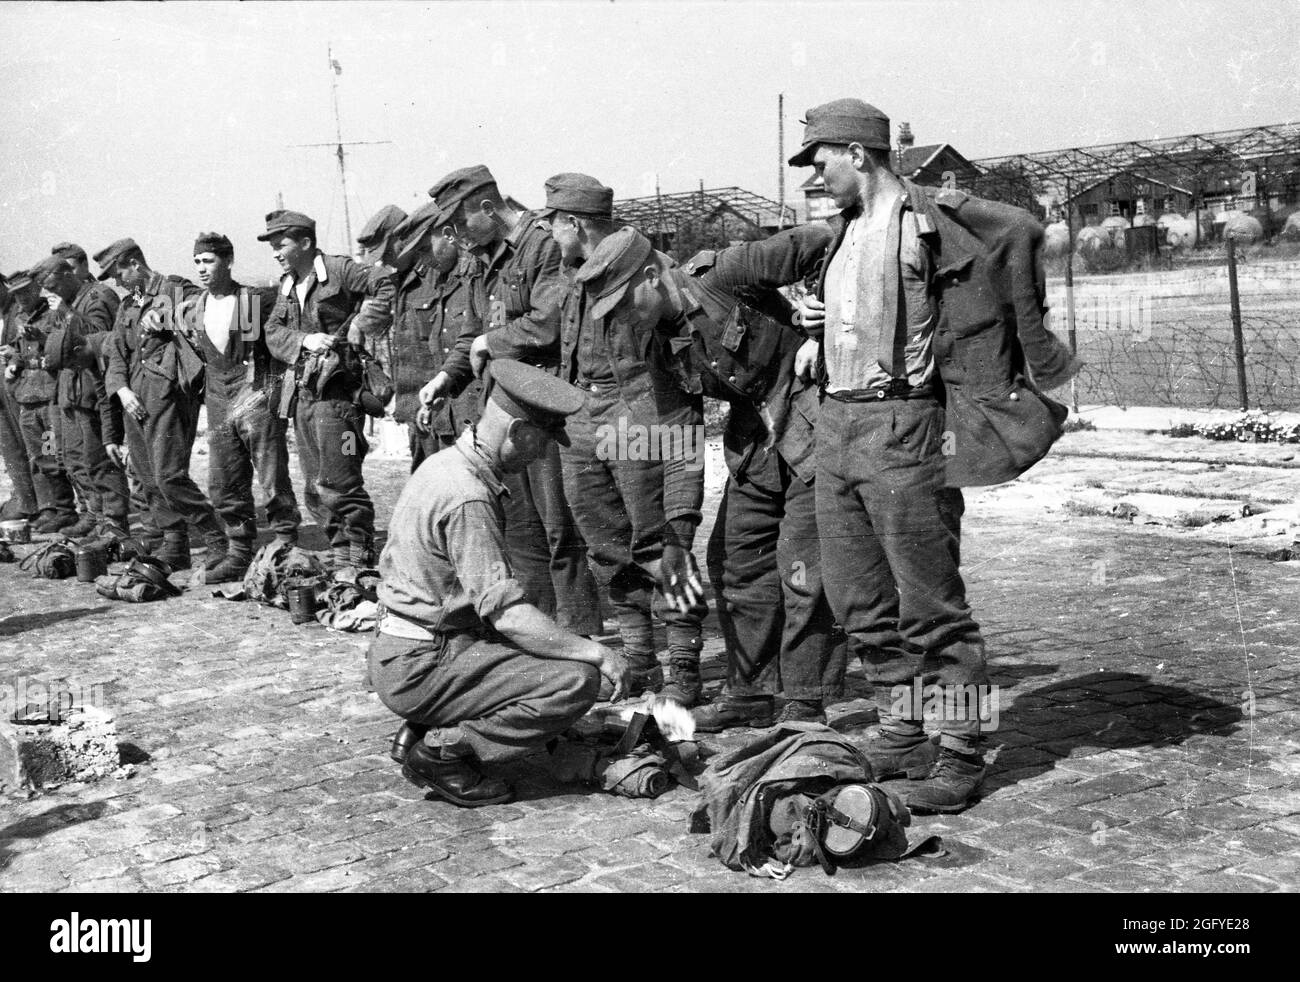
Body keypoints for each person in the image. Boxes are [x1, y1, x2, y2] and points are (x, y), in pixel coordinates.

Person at [788, 98, 1078, 813]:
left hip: (905, 427)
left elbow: (1020, 228)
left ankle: (958, 751)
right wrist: (814, 325)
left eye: (820, 160)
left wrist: (961, 202)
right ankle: (901, 725)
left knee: (931, 605)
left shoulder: (926, 221)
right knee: (858, 597)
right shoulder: (842, 232)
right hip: (838, 424)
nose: (814, 176)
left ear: (859, 153)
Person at [369, 359, 631, 807]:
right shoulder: (469, 496)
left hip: (408, 644)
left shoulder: (447, 463)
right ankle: (445, 751)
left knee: (542, 644)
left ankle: (423, 725)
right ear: (520, 434)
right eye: (545, 442)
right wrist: (598, 652)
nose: (544, 454)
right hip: (421, 663)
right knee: (576, 682)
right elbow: (507, 615)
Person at [641, 223, 843, 731]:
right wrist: (678, 532)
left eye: (623, 302)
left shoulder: (724, 274)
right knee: (734, 561)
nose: (620, 318)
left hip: (816, 426)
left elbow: (825, 240)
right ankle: (750, 693)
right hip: (757, 443)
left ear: (650, 277)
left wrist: (823, 324)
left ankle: (803, 700)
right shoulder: (657, 347)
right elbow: (679, 439)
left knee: (805, 569)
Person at [426, 165, 602, 636]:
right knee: (520, 524)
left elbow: (550, 322)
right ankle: (539, 629)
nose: (458, 236)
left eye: (460, 223)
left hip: (545, 410)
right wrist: (446, 377)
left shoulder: (542, 244)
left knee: (560, 528)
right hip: (504, 408)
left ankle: (581, 633)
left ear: (487, 207)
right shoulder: (481, 258)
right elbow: (471, 332)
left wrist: (492, 341)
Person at [548, 211, 709, 706]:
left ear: (575, 220)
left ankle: (684, 664)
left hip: (639, 409)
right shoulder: (572, 274)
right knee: (604, 543)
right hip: (581, 410)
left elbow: (679, 365)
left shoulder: (642, 267)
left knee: (660, 539)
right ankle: (640, 660)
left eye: (555, 220)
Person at [258, 209, 395, 570]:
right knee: (316, 481)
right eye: (273, 246)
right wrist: (304, 339)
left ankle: (359, 550)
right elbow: (273, 332)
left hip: (340, 397)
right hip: (304, 393)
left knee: (341, 477)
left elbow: (385, 283)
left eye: (280, 244)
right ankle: (338, 548)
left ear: (305, 242)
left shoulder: (339, 270)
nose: (275, 252)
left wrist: (360, 326)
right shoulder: (288, 283)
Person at [99, 237, 223, 570]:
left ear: (134, 264)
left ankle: (215, 536)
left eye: (118, 273)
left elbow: (206, 305)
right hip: (134, 401)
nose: (117, 282)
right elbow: (115, 356)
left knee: (169, 475)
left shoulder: (172, 289)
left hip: (169, 397)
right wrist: (122, 390)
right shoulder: (127, 307)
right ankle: (175, 543)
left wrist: (169, 316)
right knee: (147, 477)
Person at [188, 232, 298, 582]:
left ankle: (286, 544)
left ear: (228, 261)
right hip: (217, 395)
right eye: (197, 262)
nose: (202, 269)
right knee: (224, 478)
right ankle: (239, 551)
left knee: (271, 473)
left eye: (209, 261)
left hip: (253, 391)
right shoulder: (195, 307)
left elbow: (280, 335)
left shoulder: (253, 299)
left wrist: (269, 391)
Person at [30, 255, 129, 540]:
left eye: (54, 286)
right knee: (76, 461)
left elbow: (103, 340)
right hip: (73, 393)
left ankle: (114, 523)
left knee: (101, 463)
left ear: (66, 274)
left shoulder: (97, 296)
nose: (52, 294)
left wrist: (69, 314)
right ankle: (94, 516)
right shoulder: (69, 302)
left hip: (94, 393)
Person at [389, 200, 485, 469]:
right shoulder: (443, 277)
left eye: (423, 248)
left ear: (448, 235)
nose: (422, 259)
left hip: (475, 414)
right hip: (445, 409)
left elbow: (474, 339)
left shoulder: (475, 274)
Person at [3, 268, 78, 533]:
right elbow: (17, 350)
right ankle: (57, 510)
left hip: (48, 396)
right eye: (16, 294)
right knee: (40, 457)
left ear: (36, 288)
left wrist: (43, 339)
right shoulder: (19, 317)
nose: (21, 298)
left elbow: (68, 345)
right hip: (27, 398)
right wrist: (13, 362)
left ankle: (67, 511)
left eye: (25, 292)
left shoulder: (54, 312)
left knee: (55, 455)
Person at [0, 273, 40, 522]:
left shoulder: (18, 311)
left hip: (19, 385)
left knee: (30, 446)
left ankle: (39, 504)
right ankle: (24, 499)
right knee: (9, 447)